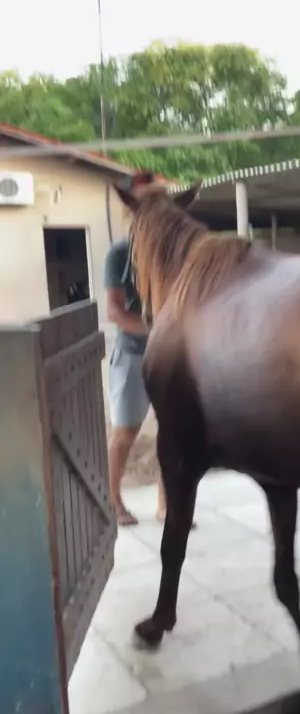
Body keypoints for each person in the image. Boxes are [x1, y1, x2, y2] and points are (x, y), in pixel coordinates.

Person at [104, 173, 166, 527]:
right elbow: (114, 312)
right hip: (132, 354)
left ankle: (166, 503)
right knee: (125, 433)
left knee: (171, 432)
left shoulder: (167, 251)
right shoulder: (119, 254)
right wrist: (155, 329)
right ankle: (113, 501)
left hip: (168, 356)